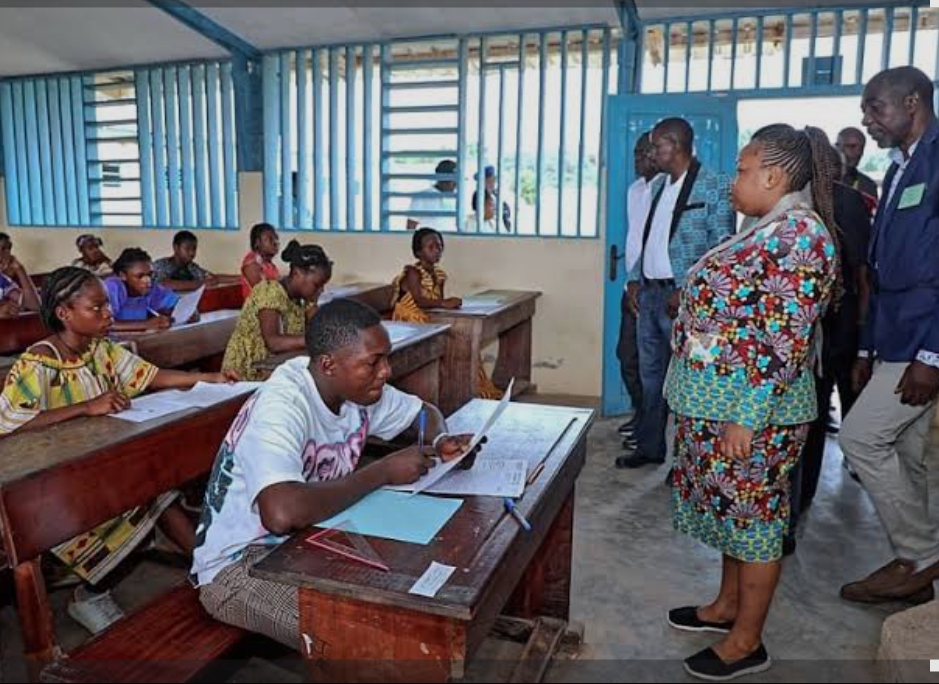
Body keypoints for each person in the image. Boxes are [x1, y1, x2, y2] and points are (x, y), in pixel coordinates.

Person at [192, 299, 482, 648]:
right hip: (241, 565)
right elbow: (281, 513)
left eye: (385, 359)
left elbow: (424, 412)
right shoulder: (282, 405)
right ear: (328, 365)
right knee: (368, 639)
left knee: (421, 590)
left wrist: (440, 439)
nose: (386, 371)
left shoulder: (358, 391)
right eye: (374, 362)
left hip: (311, 538)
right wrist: (383, 472)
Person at [665, 125, 839, 680]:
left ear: (773, 176)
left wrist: (747, 417)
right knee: (730, 512)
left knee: (756, 519)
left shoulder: (800, 237)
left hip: (755, 413)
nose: (733, 181)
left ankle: (746, 642)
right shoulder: (768, 226)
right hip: (721, 403)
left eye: (742, 170)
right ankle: (725, 607)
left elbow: (784, 341)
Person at [0, 266, 238, 634]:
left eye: (107, 305)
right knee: (147, 492)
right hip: (50, 481)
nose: (108, 313)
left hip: (93, 462)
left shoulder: (100, 349)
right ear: (64, 313)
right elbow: (10, 422)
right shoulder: (39, 361)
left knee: (158, 487)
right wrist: (85, 407)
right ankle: (93, 593)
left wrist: (208, 377)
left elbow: (151, 376)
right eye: (96, 307)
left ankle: (211, 570)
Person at [839, 66, 939, 606]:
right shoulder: (899, 166)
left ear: (913, 102)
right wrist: (865, 347)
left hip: (924, 337)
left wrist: (933, 355)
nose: (867, 120)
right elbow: (878, 268)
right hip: (893, 336)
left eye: (875, 108)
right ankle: (916, 569)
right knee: (906, 451)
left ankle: (921, 554)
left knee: (860, 438)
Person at [617, 118, 735, 469]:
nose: (652, 153)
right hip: (651, 296)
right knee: (651, 378)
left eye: (657, 146)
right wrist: (635, 279)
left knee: (694, 381)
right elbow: (648, 239)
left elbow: (721, 248)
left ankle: (687, 464)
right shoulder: (657, 187)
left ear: (675, 144)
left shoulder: (715, 184)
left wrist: (688, 289)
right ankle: (650, 448)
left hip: (689, 303)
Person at [786, 143, 872, 551]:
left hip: (839, 323)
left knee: (828, 406)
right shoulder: (795, 201)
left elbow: (862, 273)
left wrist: (863, 335)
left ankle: (805, 497)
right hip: (811, 323)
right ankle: (799, 500)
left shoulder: (847, 202)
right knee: (812, 412)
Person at [391, 227, 502, 400]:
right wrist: (444, 303)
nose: (437, 250)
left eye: (439, 246)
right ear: (418, 252)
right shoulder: (413, 272)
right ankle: (442, 388)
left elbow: (437, 303)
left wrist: (448, 306)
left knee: (461, 338)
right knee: (447, 340)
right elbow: (419, 301)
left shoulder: (440, 275)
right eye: (431, 247)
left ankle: (469, 387)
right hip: (409, 321)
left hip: (427, 317)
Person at [222, 241, 332, 382]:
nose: (321, 290)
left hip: (274, 367)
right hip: (245, 373)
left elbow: (317, 329)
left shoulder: (302, 299)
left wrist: (313, 305)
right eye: (317, 285)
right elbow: (274, 342)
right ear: (297, 273)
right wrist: (314, 340)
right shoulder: (270, 292)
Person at [616, 132, 658, 456]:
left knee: (651, 366)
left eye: (644, 153)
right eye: (635, 153)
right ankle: (641, 414)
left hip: (652, 287)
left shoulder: (664, 189)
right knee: (626, 355)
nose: (638, 159)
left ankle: (648, 429)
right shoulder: (635, 190)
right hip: (630, 285)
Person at [104, 248, 182, 332]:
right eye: (140, 276)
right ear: (123, 275)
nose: (147, 280)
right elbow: (104, 323)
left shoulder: (152, 288)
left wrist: (185, 313)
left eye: (150, 275)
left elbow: (177, 304)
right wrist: (146, 324)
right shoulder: (113, 287)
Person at [153, 231, 230, 292]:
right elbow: (165, 284)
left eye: (194, 249)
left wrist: (238, 278)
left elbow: (214, 278)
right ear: (176, 247)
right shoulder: (161, 265)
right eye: (187, 249)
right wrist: (201, 283)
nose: (192, 253)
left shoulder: (191, 267)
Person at [406, 159, 458, 232]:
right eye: (452, 180)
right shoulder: (422, 197)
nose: (456, 184)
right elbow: (411, 226)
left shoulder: (456, 197)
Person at [836, 126, 879, 213]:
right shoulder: (820, 180)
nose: (858, 152)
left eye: (861, 148)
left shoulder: (868, 185)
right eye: (851, 146)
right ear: (837, 147)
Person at [0, 232, 40, 314]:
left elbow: (35, 305)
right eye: (3, 249)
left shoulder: (3, 281)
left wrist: (20, 269)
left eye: (9, 248)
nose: (8, 253)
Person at [241, 223, 281, 299]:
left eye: (276, 238)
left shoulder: (268, 263)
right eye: (270, 239)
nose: (275, 242)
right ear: (257, 243)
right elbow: (264, 294)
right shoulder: (251, 264)